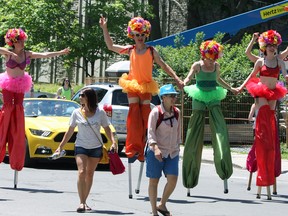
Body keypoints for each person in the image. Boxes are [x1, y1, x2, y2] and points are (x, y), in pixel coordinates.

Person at [99, 16, 183, 162]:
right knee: (134, 115)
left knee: (145, 116)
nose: (140, 38)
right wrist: (105, 28)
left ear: (146, 35)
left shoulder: (151, 51)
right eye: (137, 35)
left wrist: (176, 78)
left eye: (142, 35)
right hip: (132, 84)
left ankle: (145, 148)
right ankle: (133, 148)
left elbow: (163, 65)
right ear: (133, 35)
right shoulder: (130, 50)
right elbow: (110, 46)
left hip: (146, 86)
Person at [0, 28, 70, 171]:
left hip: (19, 85)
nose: (23, 43)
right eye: (20, 41)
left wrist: (60, 52)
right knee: (7, 108)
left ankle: (16, 128)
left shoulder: (27, 54)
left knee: (18, 108)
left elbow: (44, 54)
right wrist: (8, 52)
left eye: (23, 41)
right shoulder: (8, 54)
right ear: (14, 42)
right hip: (8, 84)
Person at [236, 30, 288, 199]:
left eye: (274, 45)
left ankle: (268, 152)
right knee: (264, 121)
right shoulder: (260, 61)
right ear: (265, 47)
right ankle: (263, 156)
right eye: (270, 45)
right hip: (261, 93)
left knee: (271, 128)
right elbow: (251, 77)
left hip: (273, 93)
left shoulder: (280, 61)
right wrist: (240, 88)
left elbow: (285, 76)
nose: (272, 48)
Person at [182, 40, 237, 193]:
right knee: (194, 132)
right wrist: (184, 82)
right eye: (209, 58)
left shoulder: (216, 66)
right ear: (204, 55)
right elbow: (189, 78)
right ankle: (190, 176)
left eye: (213, 58)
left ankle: (224, 167)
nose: (211, 61)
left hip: (213, 96)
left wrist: (232, 89)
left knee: (220, 130)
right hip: (199, 96)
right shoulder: (197, 65)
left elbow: (218, 80)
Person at [54, 88, 117, 213]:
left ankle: (85, 200)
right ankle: (81, 202)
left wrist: (114, 142)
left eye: (82, 95)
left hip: (95, 148)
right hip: (81, 146)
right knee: (81, 172)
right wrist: (60, 146)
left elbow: (107, 129)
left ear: (89, 97)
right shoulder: (76, 112)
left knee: (90, 174)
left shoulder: (100, 113)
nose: (80, 97)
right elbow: (70, 131)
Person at [146, 84, 181, 216]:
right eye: (171, 96)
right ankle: (154, 212)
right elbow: (150, 132)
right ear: (163, 97)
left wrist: (178, 146)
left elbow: (178, 132)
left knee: (173, 180)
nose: (174, 98)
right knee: (154, 181)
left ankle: (162, 204)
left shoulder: (177, 112)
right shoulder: (156, 112)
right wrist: (155, 148)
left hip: (172, 152)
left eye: (175, 96)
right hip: (156, 151)